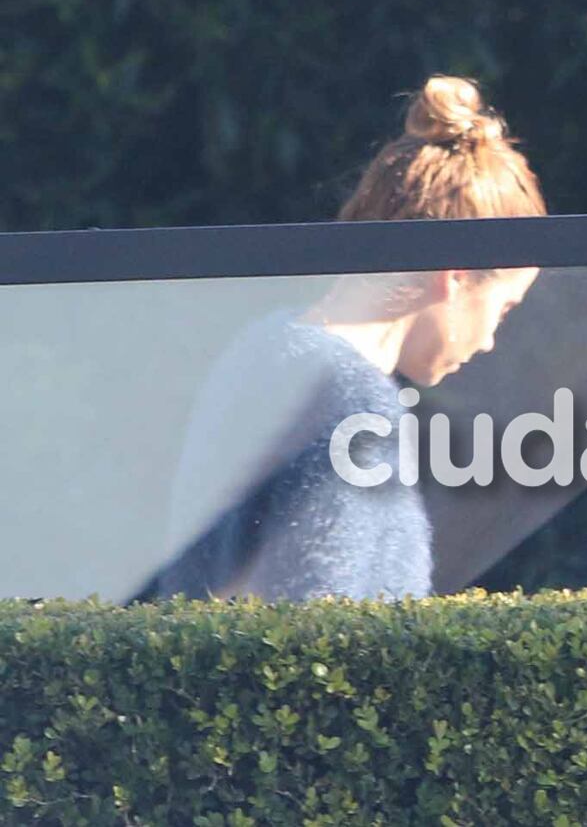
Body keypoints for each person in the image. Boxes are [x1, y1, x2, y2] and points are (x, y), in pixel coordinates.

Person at [153, 75, 546, 601]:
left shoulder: (263, 349)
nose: (491, 340)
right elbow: (326, 638)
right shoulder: (349, 401)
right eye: (504, 308)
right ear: (454, 276)